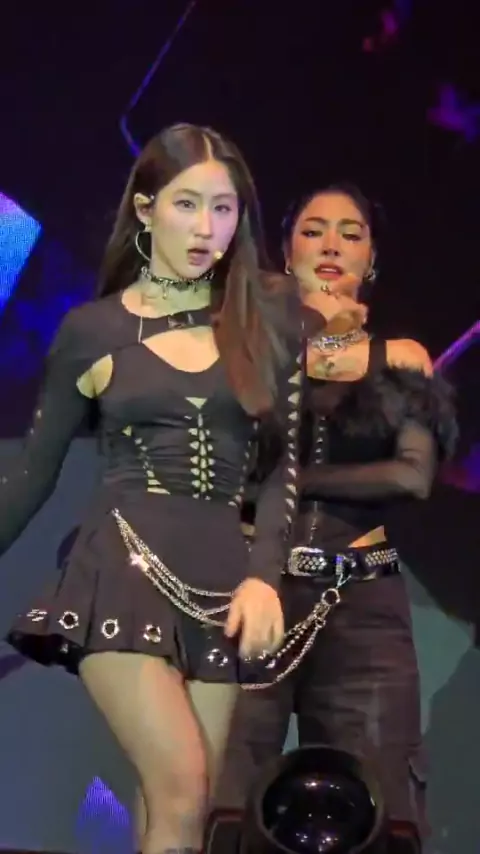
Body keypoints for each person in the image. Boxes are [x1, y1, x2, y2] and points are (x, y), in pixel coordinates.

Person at [1, 123, 303, 854]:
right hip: (120, 576)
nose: (206, 228)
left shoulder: (264, 321)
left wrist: (264, 578)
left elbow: (281, 471)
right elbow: (32, 474)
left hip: (220, 590)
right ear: (145, 209)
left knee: (181, 817)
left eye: (223, 208)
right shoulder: (93, 330)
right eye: (187, 204)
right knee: (181, 787)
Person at [216, 182, 458, 852]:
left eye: (351, 234)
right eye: (313, 230)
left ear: (371, 259)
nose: (331, 245)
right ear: (285, 250)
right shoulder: (245, 350)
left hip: (362, 603)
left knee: (374, 801)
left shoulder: (400, 356)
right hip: (252, 590)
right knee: (225, 792)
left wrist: (281, 481)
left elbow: (410, 475)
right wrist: (304, 337)